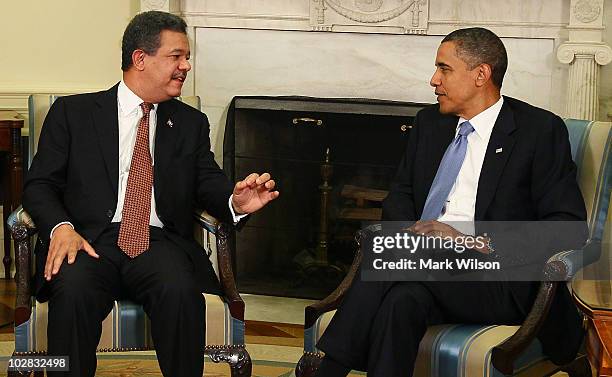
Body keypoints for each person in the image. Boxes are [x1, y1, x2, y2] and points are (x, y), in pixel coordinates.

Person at [314, 27, 587, 377]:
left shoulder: (538, 131)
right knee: (403, 302)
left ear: (481, 74)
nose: (433, 80)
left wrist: (469, 240)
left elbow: (566, 227)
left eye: (444, 69)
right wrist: (413, 234)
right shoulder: (430, 123)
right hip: (422, 263)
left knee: (392, 259)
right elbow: (401, 194)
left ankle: (328, 369)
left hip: (498, 277)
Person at [22, 11, 279, 377]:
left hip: (158, 242)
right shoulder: (73, 113)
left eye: (187, 57)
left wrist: (235, 202)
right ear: (140, 59)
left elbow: (208, 180)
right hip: (87, 239)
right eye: (176, 56)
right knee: (73, 294)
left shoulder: (190, 123)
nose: (186, 66)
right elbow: (40, 183)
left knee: (179, 292)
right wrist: (61, 227)